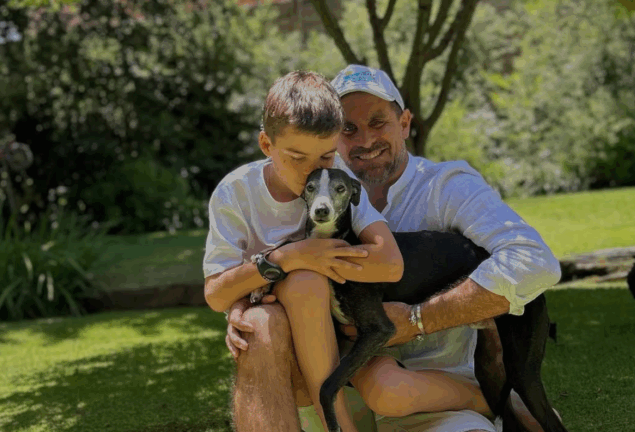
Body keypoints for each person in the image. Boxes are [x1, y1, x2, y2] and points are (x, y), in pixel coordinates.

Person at [218, 65, 562, 432]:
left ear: (405, 123)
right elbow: (264, 263)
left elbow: (535, 261)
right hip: (342, 391)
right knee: (258, 327)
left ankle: (494, 402)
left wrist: (420, 319)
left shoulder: (446, 186)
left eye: (378, 122)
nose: (364, 139)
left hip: (436, 395)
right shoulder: (307, 190)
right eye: (348, 129)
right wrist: (242, 305)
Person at [203, 70, 406, 432]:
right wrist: (286, 259)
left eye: (326, 157)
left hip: (329, 326)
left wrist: (308, 265)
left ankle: (336, 421)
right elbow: (216, 293)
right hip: (272, 329)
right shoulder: (235, 193)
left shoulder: (336, 180)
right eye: (297, 157)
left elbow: (390, 263)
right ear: (267, 145)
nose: (314, 172)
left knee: (305, 284)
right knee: (260, 322)